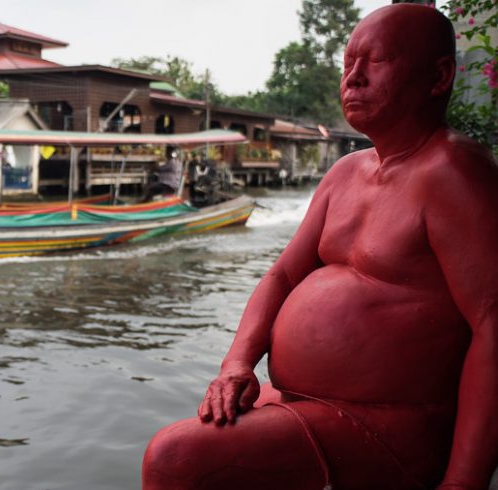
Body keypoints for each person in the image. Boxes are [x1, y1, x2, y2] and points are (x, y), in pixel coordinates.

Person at [142, 5, 498, 489]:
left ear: (438, 76)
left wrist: (463, 483)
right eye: (347, 62)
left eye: (374, 61)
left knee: (175, 457)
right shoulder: (344, 173)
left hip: (387, 426)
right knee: (208, 420)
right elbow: (281, 277)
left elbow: (493, 326)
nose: (352, 78)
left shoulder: (454, 173)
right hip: (300, 401)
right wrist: (236, 364)